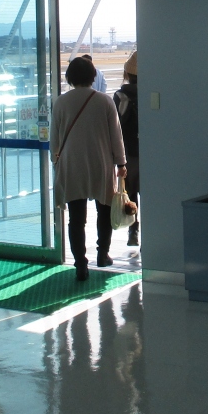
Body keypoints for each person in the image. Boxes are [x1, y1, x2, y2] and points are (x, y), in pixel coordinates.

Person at [52, 56, 127, 281]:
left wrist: (56, 161)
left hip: (72, 163)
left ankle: (80, 264)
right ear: (93, 76)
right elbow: (116, 136)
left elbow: (55, 140)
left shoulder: (61, 102)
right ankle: (103, 254)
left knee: (76, 217)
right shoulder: (104, 101)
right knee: (104, 210)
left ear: (70, 77)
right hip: (100, 162)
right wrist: (121, 163)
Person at [113, 52, 139, 247]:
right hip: (151, 153)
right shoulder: (155, 91)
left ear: (127, 74)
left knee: (130, 192)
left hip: (128, 152)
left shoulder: (120, 96)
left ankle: (133, 231)